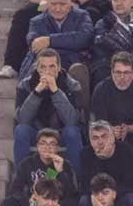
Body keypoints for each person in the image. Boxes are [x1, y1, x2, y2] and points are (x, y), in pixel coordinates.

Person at [13, 47, 84, 176]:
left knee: (73, 131)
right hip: (36, 131)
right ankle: (20, 179)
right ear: (37, 68)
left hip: (61, 132)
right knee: (20, 130)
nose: (47, 71)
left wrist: (55, 91)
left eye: (52, 67)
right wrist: (36, 92)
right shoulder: (24, 85)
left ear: (59, 67)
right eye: (43, 67)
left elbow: (72, 120)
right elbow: (22, 119)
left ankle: (76, 179)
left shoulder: (72, 85)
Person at [90, 51, 133, 167]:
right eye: (118, 72)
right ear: (112, 72)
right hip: (106, 131)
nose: (122, 77)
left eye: (126, 72)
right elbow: (98, 121)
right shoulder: (101, 89)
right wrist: (110, 130)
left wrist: (128, 129)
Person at [3, 127, 79, 206]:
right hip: (33, 202)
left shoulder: (65, 164)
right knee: (8, 201)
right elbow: (15, 190)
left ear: (57, 148)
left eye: (52, 144)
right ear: (37, 146)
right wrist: (30, 200)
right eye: (43, 143)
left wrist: (60, 171)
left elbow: (72, 194)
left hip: (54, 203)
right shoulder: (27, 164)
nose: (47, 147)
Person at [80, 121, 133, 206]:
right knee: (84, 200)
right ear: (90, 141)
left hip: (120, 193)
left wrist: (110, 194)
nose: (100, 142)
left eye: (104, 136)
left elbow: (132, 182)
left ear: (112, 137)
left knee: (132, 199)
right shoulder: (85, 153)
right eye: (95, 138)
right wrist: (101, 159)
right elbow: (86, 185)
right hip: (97, 194)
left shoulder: (124, 149)